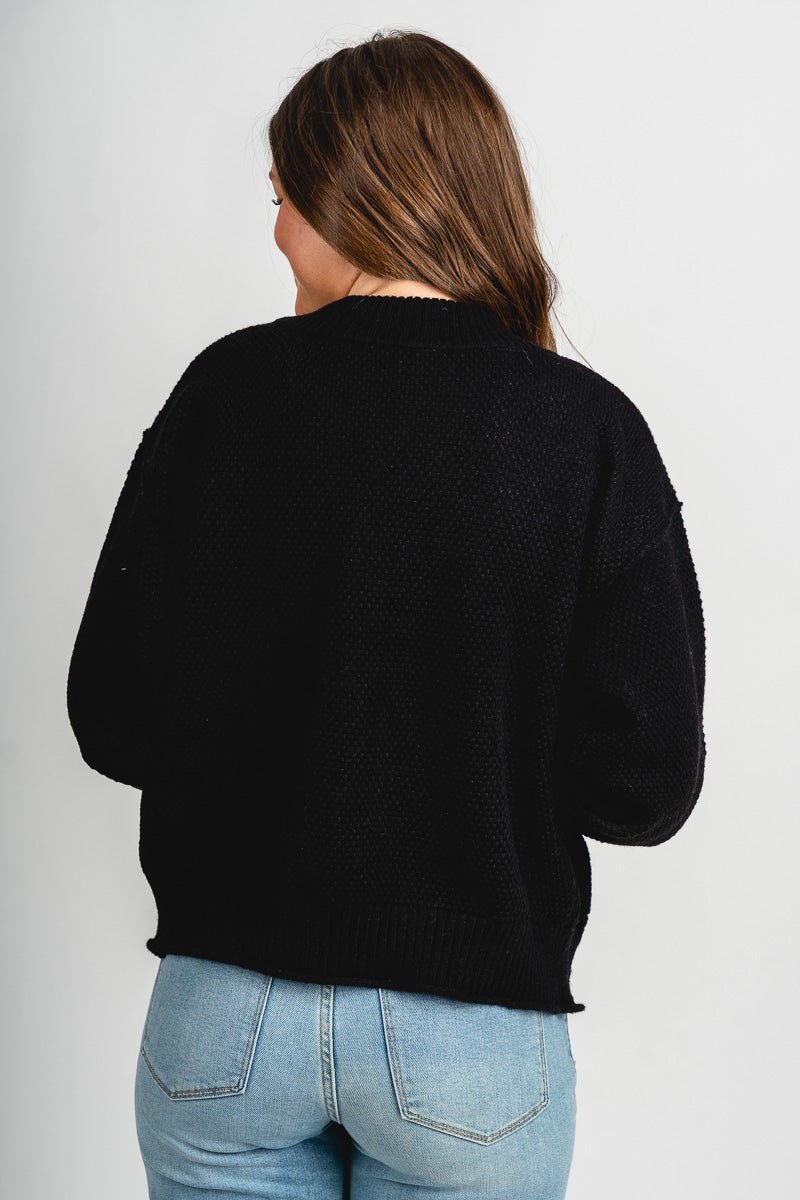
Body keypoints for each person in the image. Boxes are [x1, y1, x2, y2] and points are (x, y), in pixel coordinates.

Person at [66, 29, 706, 1200]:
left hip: (223, 1025)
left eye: (281, 197)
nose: (274, 229)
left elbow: (112, 720)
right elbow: (643, 790)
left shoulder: (222, 396)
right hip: (468, 1046)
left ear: (347, 196)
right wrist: (476, 761)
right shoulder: (585, 431)